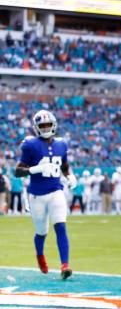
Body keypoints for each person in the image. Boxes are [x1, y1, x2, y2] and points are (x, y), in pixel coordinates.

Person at [14, 110, 76, 279]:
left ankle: (65, 265)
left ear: (54, 124)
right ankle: (40, 254)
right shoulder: (30, 144)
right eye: (42, 125)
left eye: (49, 124)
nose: (46, 128)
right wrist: (35, 169)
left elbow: (64, 164)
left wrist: (70, 176)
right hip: (37, 195)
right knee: (41, 232)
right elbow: (17, 171)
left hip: (56, 191)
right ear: (37, 127)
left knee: (61, 226)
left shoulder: (62, 144)